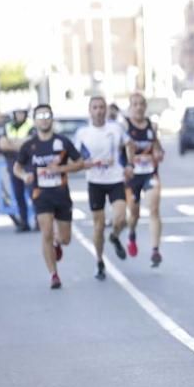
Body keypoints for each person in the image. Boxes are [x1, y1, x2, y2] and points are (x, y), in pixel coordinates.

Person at [14, 104, 87, 289]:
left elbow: (80, 163)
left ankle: (57, 242)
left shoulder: (62, 142)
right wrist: (25, 176)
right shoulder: (29, 146)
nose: (44, 119)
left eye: (47, 115)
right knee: (45, 232)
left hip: (61, 194)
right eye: (40, 116)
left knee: (66, 239)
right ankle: (54, 274)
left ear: (52, 118)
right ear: (35, 120)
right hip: (40, 194)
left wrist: (61, 168)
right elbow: (17, 167)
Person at [74, 96, 131, 280]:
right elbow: (76, 159)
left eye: (101, 107)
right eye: (95, 107)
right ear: (90, 111)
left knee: (121, 219)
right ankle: (99, 262)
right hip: (95, 182)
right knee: (98, 226)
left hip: (115, 179)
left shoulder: (115, 128)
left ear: (106, 110)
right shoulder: (83, 133)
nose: (99, 111)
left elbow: (128, 143)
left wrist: (129, 164)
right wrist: (88, 163)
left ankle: (114, 236)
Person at [124, 93, 165, 267]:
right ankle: (131, 233)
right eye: (135, 104)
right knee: (134, 213)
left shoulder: (151, 126)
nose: (139, 107)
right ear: (130, 107)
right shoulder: (124, 127)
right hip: (132, 177)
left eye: (141, 104)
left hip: (150, 173)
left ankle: (155, 250)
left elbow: (158, 149)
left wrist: (158, 154)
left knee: (154, 210)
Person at [0, 108, 34, 232]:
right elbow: (3, 144)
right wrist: (20, 144)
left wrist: (12, 143)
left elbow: (31, 143)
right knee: (18, 195)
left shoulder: (31, 125)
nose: (20, 115)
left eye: (22, 113)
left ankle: (39, 222)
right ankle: (24, 222)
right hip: (13, 165)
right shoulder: (8, 127)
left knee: (32, 193)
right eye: (17, 113)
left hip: (28, 165)